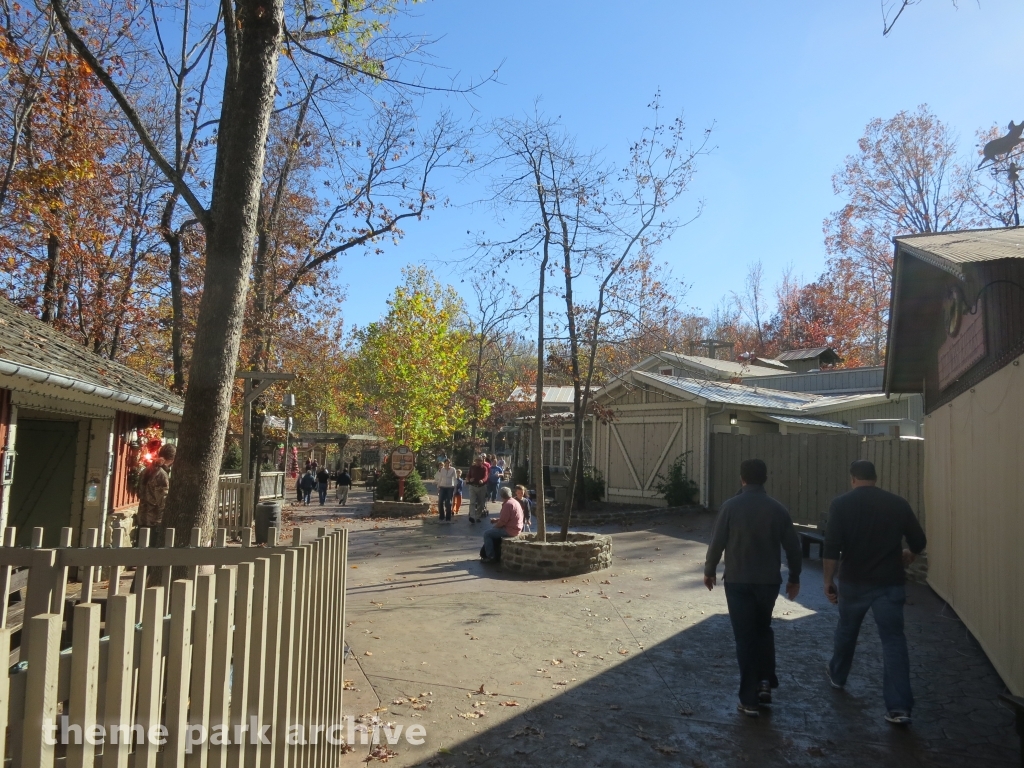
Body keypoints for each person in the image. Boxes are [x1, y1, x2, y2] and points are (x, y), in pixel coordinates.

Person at [823, 460, 927, 726]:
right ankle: (899, 707)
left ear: (853, 478)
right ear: (875, 478)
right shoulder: (897, 503)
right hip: (889, 582)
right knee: (893, 641)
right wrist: (911, 553)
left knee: (847, 631)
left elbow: (832, 547)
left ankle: (837, 675)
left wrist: (828, 581)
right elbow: (919, 540)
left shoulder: (841, 504)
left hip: (854, 581)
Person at [704, 458, 802, 718]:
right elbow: (793, 547)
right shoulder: (777, 509)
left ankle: (749, 698)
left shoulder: (730, 507)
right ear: (765, 478)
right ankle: (765, 682)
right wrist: (794, 577)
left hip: (737, 580)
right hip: (768, 581)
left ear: (742, 478)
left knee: (744, 637)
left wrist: (710, 570)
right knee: (763, 629)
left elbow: (717, 542)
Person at [138, 444, 176, 546]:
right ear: (172, 460)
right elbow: (162, 501)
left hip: (142, 518)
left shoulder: (146, 470)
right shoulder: (161, 475)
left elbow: (140, 492)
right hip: (154, 522)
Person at [482, 486, 523, 562]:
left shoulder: (507, 504)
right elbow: (508, 518)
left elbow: (503, 522)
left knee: (487, 534)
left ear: (501, 496)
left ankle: (490, 556)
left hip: (511, 530)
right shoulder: (514, 501)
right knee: (492, 532)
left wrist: (495, 526)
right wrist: (496, 520)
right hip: (516, 527)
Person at [466, 455, 489, 523]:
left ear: (482, 461)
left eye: (480, 460)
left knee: (481, 503)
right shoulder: (472, 467)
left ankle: (478, 516)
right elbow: (468, 475)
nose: (478, 462)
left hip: (481, 487)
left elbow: (486, 476)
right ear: (475, 461)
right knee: (472, 502)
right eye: (477, 460)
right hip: (473, 486)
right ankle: (472, 516)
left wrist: (482, 480)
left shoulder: (484, 468)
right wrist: (470, 479)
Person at [434, 459, 457, 523]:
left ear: (450, 463)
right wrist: (438, 486)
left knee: (448, 503)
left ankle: (448, 518)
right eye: (446, 463)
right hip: (442, 487)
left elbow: (455, 479)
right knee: (440, 501)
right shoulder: (442, 470)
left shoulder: (453, 469)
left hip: (450, 487)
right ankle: (441, 517)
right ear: (444, 464)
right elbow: (440, 478)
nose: (447, 464)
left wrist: (455, 487)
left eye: (449, 463)